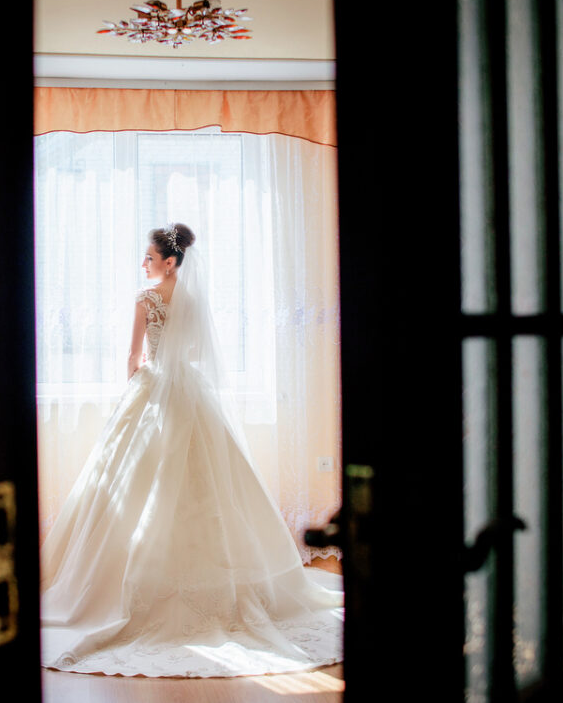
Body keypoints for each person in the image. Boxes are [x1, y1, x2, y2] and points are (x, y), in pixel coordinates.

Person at [39, 223, 343, 677]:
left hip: (155, 389)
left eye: (148, 257)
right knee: (211, 483)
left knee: (136, 483)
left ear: (169, 260)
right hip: (190, 393)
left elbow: (132, 357)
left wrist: (136, 393)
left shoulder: (145, 300)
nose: (143, 264)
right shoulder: (195, 301)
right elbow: (200, 351)